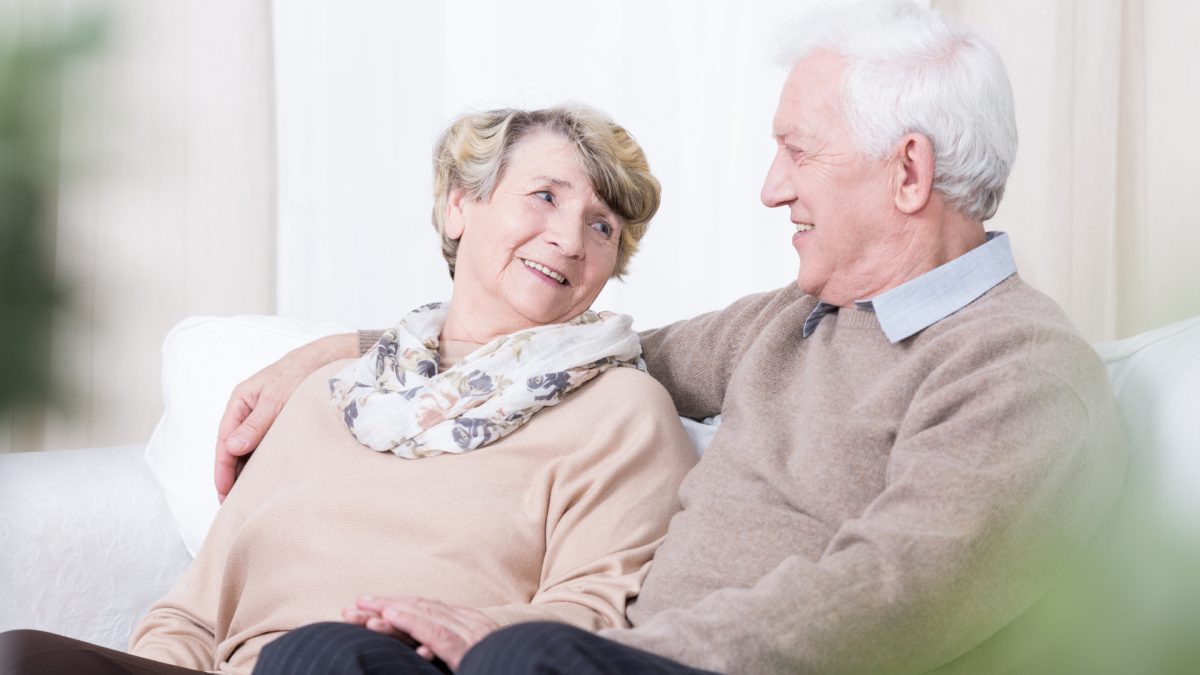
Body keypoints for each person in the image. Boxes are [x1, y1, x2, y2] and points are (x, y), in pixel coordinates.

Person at [233, 2, 1130, 674]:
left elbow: (892, 596)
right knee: (320, 654)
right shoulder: (793, 321)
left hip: (699, 665)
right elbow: (571, 358)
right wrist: (345, 349)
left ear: (908, 172)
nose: (772, 188)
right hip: (615, 658)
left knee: (519, 660)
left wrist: (586, 647)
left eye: (799, 150)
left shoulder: (1021, 373)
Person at [0, 105, 698, 674]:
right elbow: (190, 615)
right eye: (546, 196)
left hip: (399, 664)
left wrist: (458, 629)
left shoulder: (619, 411)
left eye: (602, 226)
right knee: (24, 655)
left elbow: (593, 614)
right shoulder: (328, 395)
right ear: (460, 205)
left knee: (322, 656)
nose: (571, 240)